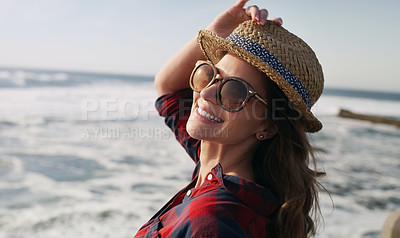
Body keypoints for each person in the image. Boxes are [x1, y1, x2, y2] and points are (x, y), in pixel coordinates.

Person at [134, 0, 325, 237]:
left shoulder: (214, 218)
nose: (205, 93)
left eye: (235, 91)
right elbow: (167, 88)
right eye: (209, 74)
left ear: (269, 124)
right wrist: (219, 30)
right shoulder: (212, 164)